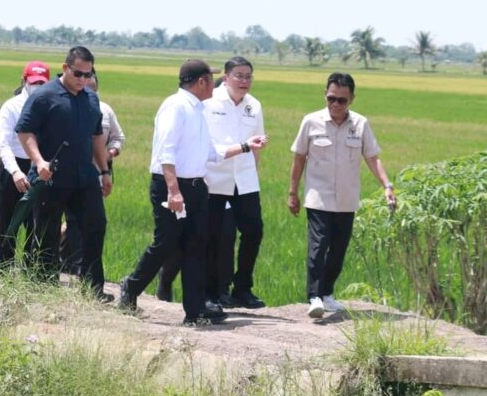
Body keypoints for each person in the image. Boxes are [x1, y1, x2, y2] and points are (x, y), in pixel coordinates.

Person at [118, 59, 268, 325]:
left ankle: (196, 308)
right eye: (211, 79)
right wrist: (174, 192)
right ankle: (131, 286)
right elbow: (165, 151)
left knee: (197, 244)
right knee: (166, 242)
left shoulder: (198, 109)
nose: (215, 83)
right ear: (201, 82)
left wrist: (245, 146)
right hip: (172, 185)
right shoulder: (175, 107)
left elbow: (212, 152)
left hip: (198, 186)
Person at [156, 56, 268, 309]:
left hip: (245, 180)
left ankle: (243, 289)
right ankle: (210, 293)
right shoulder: (208, 102)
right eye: (239, 75)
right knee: (212, 236)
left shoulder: (254, 106)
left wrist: (254, 169)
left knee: (253, 232)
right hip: (214, 179)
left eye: (248, 76)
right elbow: (205, 146)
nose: (244, 81)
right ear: (226, 77)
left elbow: (256, 144)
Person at [288, 72, 396, 318]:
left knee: (338, 250)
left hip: (347, 199)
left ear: (352, 99)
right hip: (318, 197)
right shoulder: (311, 121)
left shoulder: (360, 125)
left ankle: (326, 294)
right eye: (331, 98)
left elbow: (372, 157)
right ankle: (314, 297)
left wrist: (387, 185)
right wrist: (292, 192)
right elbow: (299, 158)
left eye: (341, 100)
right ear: (325, 95)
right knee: (318, 245)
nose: (335, 104)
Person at [16, 46, 113, 300]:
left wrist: (104, 171)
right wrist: (38, 161)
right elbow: (25, 132)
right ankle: (44, 286)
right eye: (78, 74)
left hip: (84, 176)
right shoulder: (44, 96)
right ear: (65, 68)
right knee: (46, 232)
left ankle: (92, 288)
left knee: (95, 226)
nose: (83, 80)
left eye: (88, 75)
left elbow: (96, 137)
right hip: (52, 177)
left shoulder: (90, 99)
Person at [59, 71, 125, 275]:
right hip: (70, 174)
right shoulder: (66, 107)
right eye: (86, 88)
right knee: (71, 221)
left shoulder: (105, 111)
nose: (89, 93)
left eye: (93, 89)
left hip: (96, 176)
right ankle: (69, 263)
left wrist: (110, 153)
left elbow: (118, 137)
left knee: (91, 223)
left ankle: (78, 266)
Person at [0, 61, 50, 263]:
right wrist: (16, 172)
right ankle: (4, 267)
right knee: (8, 220)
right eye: (34, 82)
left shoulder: (50, 106)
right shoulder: (12, 106)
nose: (37, 87)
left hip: (39, 167)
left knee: (35, 222)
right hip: (13, 166)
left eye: (42, 83)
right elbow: (3, 143)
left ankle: (29, 267)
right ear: (24, 81)